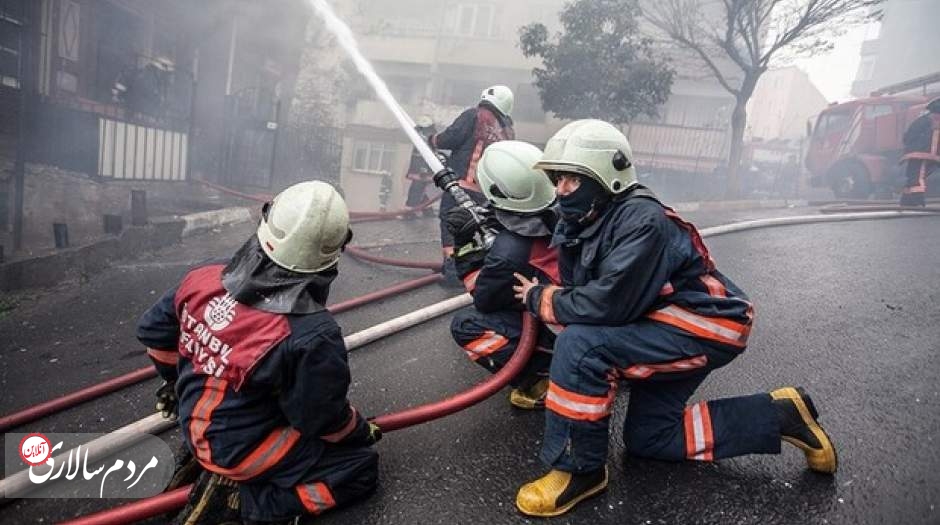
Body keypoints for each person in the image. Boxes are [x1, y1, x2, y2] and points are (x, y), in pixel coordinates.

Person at [510, 120, 838, 517]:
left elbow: (609, 306)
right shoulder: (583, 218)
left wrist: (541, 299)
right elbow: (586, 292)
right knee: (651, 438)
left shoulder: (641, 220)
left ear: (607, 178)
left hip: (704, 322)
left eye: (573, 180)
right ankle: (780, 415)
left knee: (580, 347)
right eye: (557, 178)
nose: (561, 190)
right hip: (659, 323)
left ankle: (579, 470)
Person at [138, 181, 381, 525]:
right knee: (359, 469)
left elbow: (155, 336)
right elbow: (320, 419)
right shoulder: (312, 334)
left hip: (192, 425)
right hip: (242, 451)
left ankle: (218, 466)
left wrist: (175, 383)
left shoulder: (205, 275)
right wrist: (359, 431)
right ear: (336, 249)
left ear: (267, 218)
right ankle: (247, 503)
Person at [446, 140, 560, 408]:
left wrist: (466, 248)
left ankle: (542, 377)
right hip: (582, 316)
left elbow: (484, 298)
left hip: (558, 331)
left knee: (466, 325)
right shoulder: (566, 212)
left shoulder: (508, 253)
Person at [430, 85, 516, 284]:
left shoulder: (475, 115)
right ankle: (467, 268)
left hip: (461, 185)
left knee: (452, 224)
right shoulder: (507, 129)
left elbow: (450, 138)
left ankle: (452, 271)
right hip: (486, 192)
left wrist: (430, 138)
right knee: (472, 227)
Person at [899, 97, 940, 207]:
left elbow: (907, 137)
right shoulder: (930, 121)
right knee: (917, 178)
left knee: (914, 177)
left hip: (920, 154)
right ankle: (914, 202)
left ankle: (908, 202)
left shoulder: (923, 120)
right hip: (924, 155)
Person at [404, 117, 438, 218]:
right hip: (420, 169)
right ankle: (420, 210)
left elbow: (429, 154)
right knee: (419, 188)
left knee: (420, 188)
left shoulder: (427, 137)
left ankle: (417, 210)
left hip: (423, 169)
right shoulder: (423, 136)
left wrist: (424, 169)